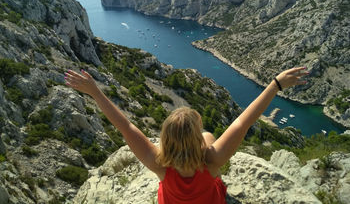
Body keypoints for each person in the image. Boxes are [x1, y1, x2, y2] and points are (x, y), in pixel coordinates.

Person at [64, 67, 308, 203]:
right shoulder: (212, 161)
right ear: (195, 142)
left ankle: (191, 136)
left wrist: (95, 92)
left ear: (166, 140)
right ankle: (205, 135)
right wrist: (275, 85)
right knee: (210, 135)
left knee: (207, 136)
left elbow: (125, 126)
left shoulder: (158, 163)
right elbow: (242, 122)